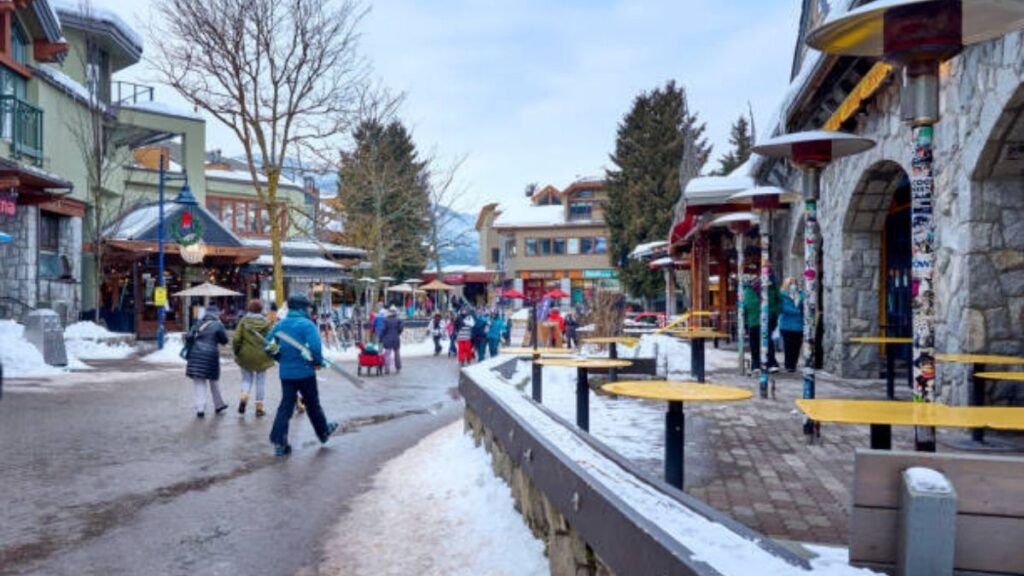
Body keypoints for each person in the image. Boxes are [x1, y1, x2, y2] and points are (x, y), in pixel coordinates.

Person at [265, 293, 339, 457]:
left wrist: (280, 358)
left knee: (285, 407)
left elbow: (268, 345)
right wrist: (317, 362)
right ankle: (323, 432)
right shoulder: (307, 325)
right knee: (313, 404)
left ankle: (280, 443)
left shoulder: (280, 325)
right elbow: (315, 346)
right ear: (301, 308)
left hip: (286, 373)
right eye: (306, 306)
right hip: (305, 372)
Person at [185, 305, 229, 418]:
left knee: (199, 383)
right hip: (211, 355)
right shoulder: (218, 325)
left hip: (195, 355)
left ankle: (200, 409)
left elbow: (189, 337)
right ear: (216, 314)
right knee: (213, 380)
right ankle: (218, 404)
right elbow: (225, 340)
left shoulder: (198, 323)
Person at [233, 299, 275, 417]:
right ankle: (259, 408)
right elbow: (271, 339)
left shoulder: (243, 321)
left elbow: (236, 339)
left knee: (246, 379)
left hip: (245, 356)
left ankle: (244, 396)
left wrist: (237, 351)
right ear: (261, 310)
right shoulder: (266, 323)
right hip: (262, 356)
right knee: (260, 382)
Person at [742, 276, 781, 373]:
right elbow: (744, 307)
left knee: (767, 342)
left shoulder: (770, 289)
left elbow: (778, 301)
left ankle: (771, 363)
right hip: (753, 321)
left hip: (767, 320)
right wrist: (746, 322)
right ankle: (756, 365)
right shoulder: (747, 291)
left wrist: (774, 313)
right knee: (754, 344)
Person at [779, 277, 805, 372]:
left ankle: (793, 364)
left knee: (796, 347)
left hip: (799, 326)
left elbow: (805, 308)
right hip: (787, 325)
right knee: (788, 346)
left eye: (794, 283)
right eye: (791, 283)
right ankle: (789, 365)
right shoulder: (782, 295)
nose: (793, 285)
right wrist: (797, 311)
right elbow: (783, 309)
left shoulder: (801, 295)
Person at [381, 306, 404, 374]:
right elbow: (401, 328)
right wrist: (398, 333)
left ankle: (387, 369)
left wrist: (381, 337)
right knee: (397, 354)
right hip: (396, 339)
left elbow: (383, 330)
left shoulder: (386, 320)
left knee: (387, 354)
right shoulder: (399, 320)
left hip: (388, 339)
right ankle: (398, 368)